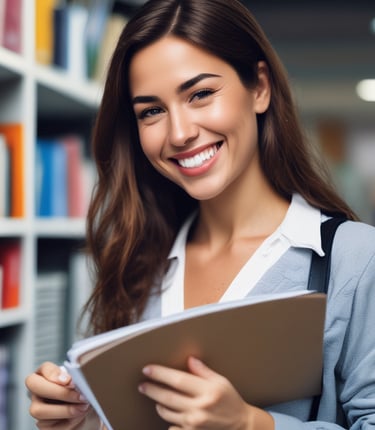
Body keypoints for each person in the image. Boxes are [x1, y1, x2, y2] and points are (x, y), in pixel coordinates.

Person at [25, 0, 375, 428]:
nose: (179, 133)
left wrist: (251, 424)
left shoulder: (356, 258)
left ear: (259, 88)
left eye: (201, 94)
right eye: (151, 111)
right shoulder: (138, 258)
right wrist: (84, 422)